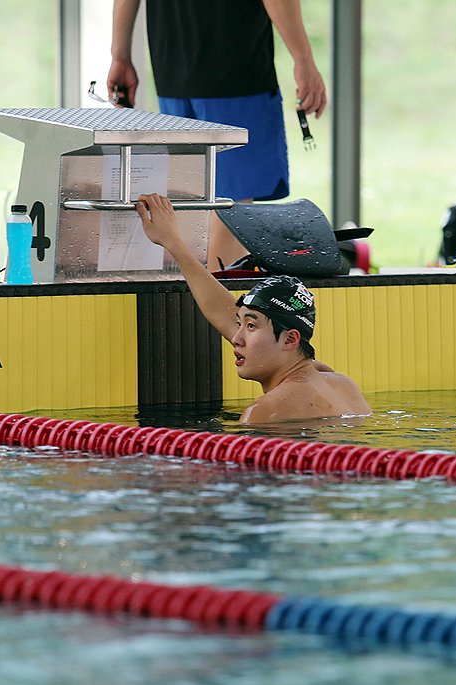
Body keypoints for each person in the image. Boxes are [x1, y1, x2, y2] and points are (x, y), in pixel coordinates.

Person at [107, 0, 327, 270]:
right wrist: (304, 60)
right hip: (234, 67)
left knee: (189, 204)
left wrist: (120, 55)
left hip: (172, 68)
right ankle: (216, 310)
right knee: (231, 207)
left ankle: (189, 305)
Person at [135, 193, 370, 424]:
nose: (236, 338)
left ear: (290, 339)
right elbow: (224, 313)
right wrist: (173, 243)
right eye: (240, 324)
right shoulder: (340, 384)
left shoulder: (265, 413)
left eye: (250, 326)